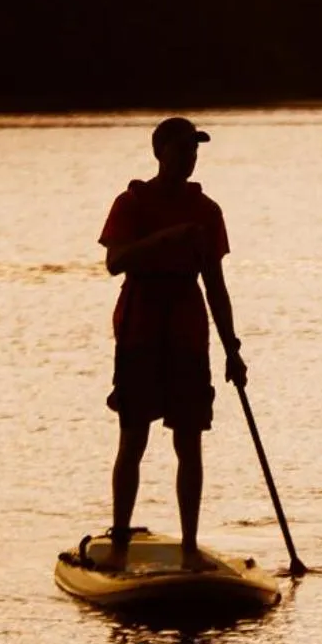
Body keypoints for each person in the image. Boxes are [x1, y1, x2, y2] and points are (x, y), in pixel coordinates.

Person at [99, 116, 248, 570]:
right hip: (141, 322)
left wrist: (233, 349)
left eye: (194, 149)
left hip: (187, 323)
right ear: (160, 152)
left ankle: (189, 544)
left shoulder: (208, 211)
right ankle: (121, 537)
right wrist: (166, 237)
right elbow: (115, 263)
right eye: (182, 148)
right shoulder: (131, 204)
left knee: (190, 438)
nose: (190, 156)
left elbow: (217, 286)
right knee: (134, 436)